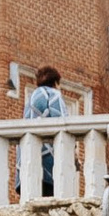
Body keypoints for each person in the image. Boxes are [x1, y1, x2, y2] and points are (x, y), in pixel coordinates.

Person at [25, 63, 65, 196]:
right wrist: (75, 157)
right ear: (55, 82)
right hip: (48, 166)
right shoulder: (53, 94)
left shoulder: (31, 98)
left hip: (28, 166)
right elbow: (62, 124)